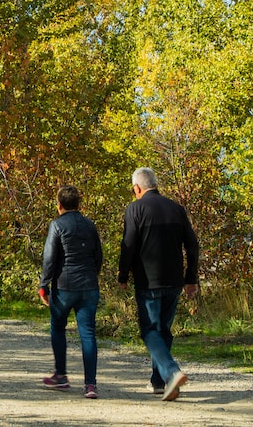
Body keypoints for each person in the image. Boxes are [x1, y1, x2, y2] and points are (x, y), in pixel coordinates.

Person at [118, 167, 200, 402]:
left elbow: (129, 245)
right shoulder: (176, 209)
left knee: (149, 331)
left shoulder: (135, 209)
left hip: (148, 281)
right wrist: (190, 278)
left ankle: (172, 372)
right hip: (174, 281)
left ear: (137, 188)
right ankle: (159, 381)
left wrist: (123, 275)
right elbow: (192, 246)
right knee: (163, 329)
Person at [39, 185, 103, 399]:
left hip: (64, 286)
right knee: (88, 333)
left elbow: (49, 258)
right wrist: (92, 275)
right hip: (88, 285)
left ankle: (61, 375)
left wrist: (43, 285)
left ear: (59, 205)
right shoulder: (89, 225)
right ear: (79, 204)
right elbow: (98, 256)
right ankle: (91, 384)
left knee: (57, 327)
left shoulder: (56, 225)